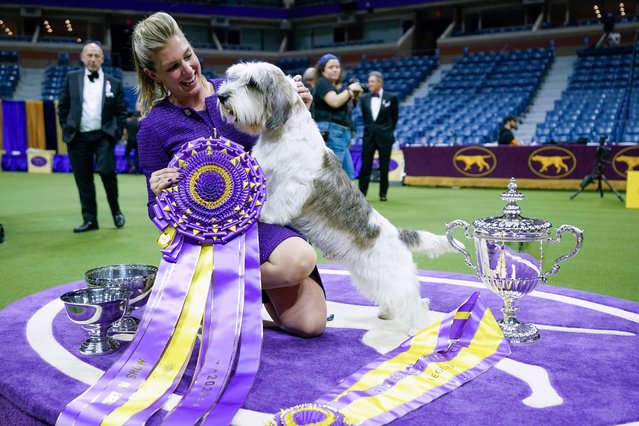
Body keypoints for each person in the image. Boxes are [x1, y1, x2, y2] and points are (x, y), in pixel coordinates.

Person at [131, 12, 326, 338]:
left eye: (188, 56)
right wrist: (160, 194)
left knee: (309, 324)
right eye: (173, 67)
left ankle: (209, 290)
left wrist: (298, 112)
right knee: (298, 261)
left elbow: (288, 147)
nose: (188, 69)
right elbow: (155, 209)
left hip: (262, 220)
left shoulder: (239, 88)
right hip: (209, 239)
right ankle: (209, 283)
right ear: (154, 75)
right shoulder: (153, 127)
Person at [58, 41, 127, 233]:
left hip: (103, 136)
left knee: (107, 173)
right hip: (77, 138)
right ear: (82, 57)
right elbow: (63, 107)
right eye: (89, 55)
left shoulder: (114, 83)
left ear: (102, 59)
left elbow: (121, 112)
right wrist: (66, 127)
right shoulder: (72, 79)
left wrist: (115, 132)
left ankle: (116, 212)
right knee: (83, 179)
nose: (93, 59)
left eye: (96, 55)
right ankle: (90, 220)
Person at [313, 53, 363, 179]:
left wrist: (353, 96)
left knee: (348, 174)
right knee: (334, 175)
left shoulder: (334, 86)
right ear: (322, 70)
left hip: (342, 133)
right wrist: (350, 90)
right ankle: (327, 199)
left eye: (337, 67)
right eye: (331, 67)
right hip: (332, 132)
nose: (335, 69)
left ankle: (347, 199)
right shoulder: (322, 83)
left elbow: (344, 106)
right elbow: (334, 102)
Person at [358, 71, 399, 202]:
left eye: (372, 81)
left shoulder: (391, 97)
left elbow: (394, 118)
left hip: (385, 138)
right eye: (369, 81)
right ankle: (361, 194)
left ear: (380, 82)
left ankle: (383, 194)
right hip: (369, 137)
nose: (369, 84)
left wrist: (386, 131)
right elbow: (366, 118)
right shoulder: (364, 98)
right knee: (365, 167)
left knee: (384, 166)